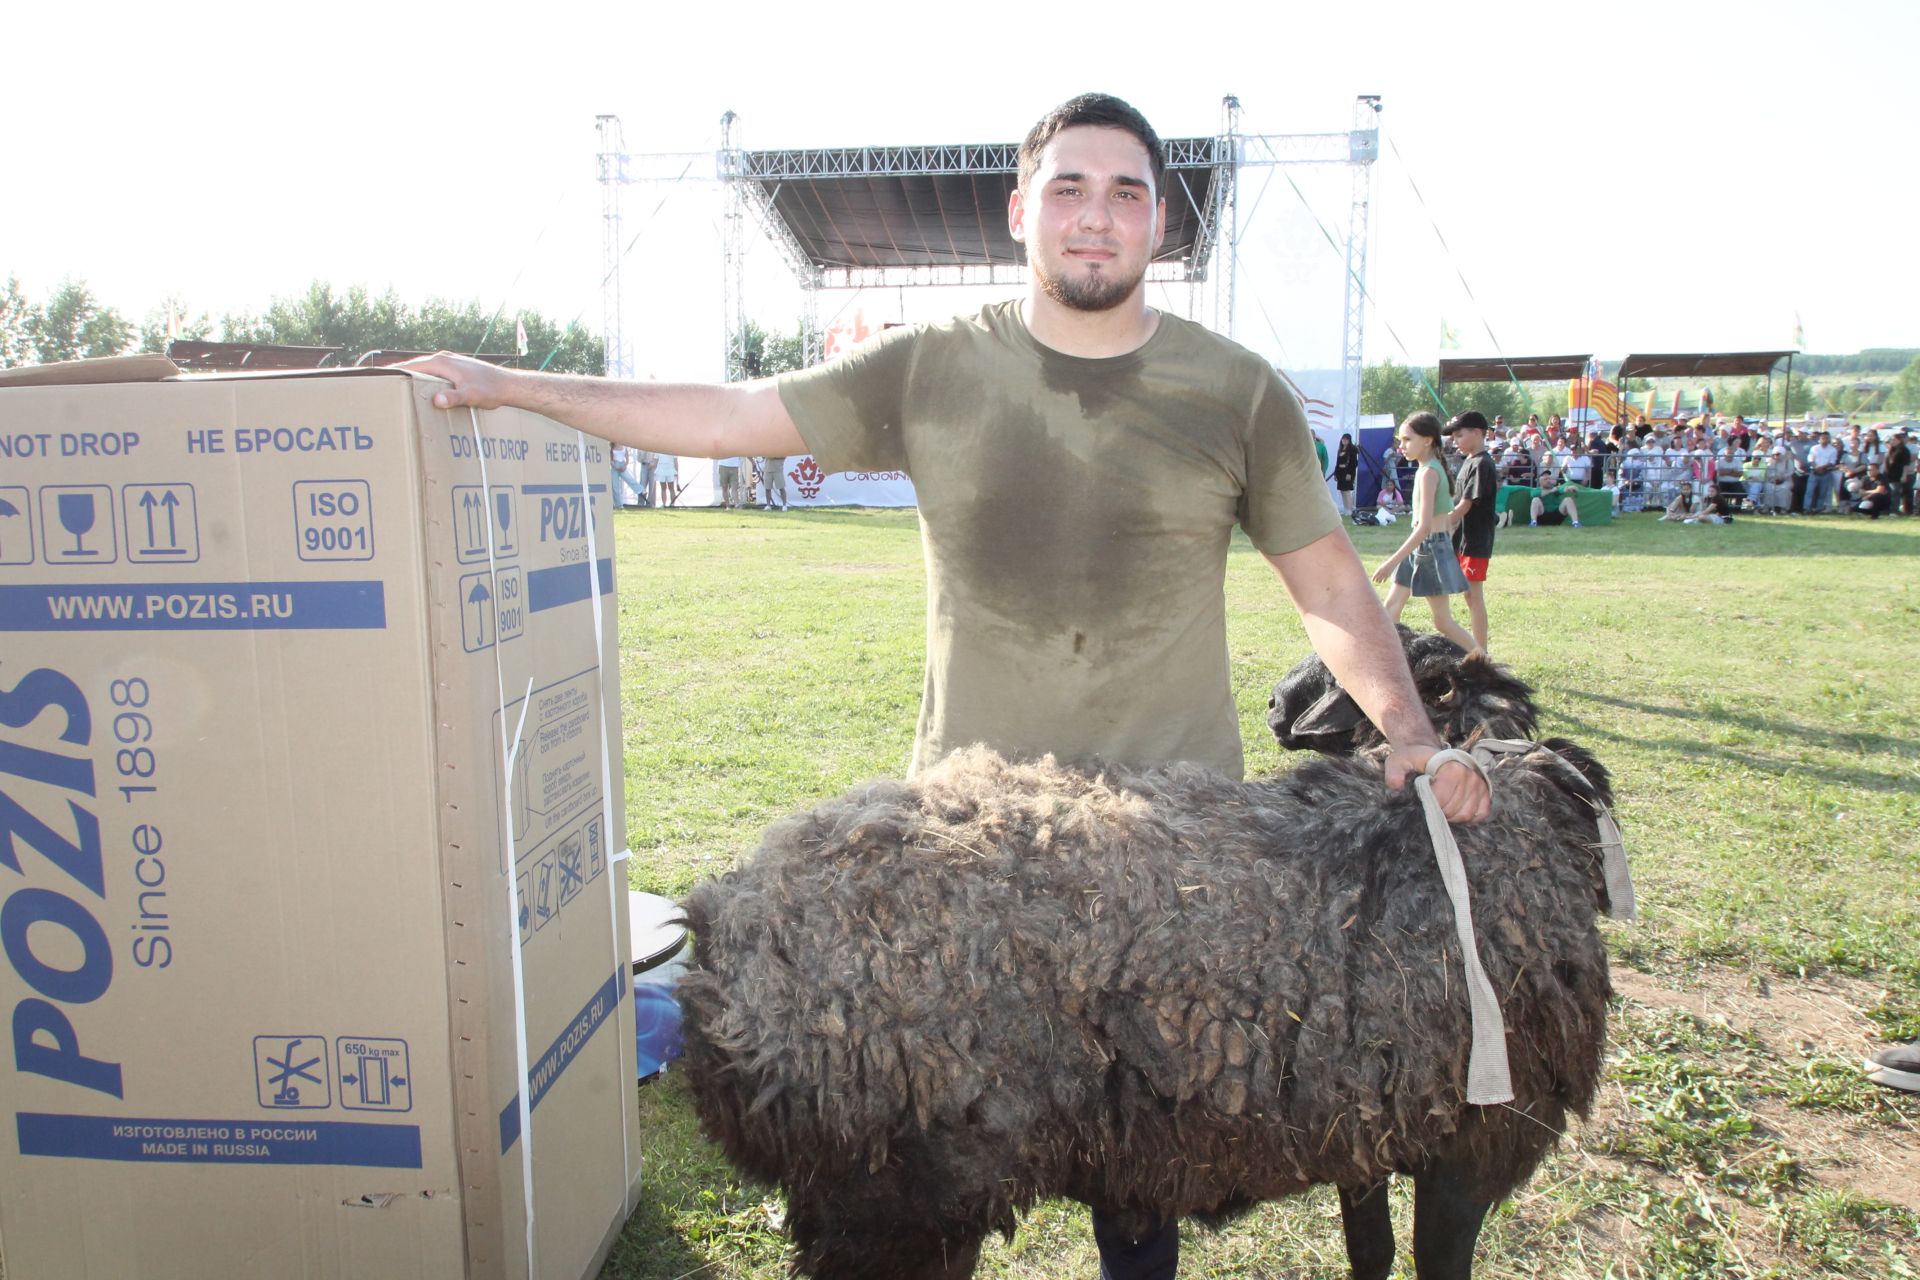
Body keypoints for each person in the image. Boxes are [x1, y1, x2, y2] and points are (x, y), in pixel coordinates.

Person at [402, 92, 1487, 1280]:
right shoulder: (930, 366)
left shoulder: (1235, 389)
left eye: (1126, 192)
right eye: (1069, 188)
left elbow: (1328, 579)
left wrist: (1408, 730)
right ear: (1022, 212)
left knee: (1147, 1170)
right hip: (966, 872)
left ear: (1157, 223)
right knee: (936, 1170)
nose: (1095, 216)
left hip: (1173, 862)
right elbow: (728, 414)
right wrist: (519, 384)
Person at [1372, 412, 1476, 654]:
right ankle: (1393, 663)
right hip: (1425, 547)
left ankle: (1485, 663)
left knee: (1443, 622)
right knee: (1390, 611)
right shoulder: (1427, 469)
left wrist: (1390, 562)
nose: (1402, 446)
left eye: (1408, 439)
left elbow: (1424, 527)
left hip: (1430, 549)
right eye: (1400, 440)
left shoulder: (1429, 472)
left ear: (1428, 440)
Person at [1443, 411, 1497, 657]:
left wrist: (1441, 523)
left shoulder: (1482, 463)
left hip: (1475, 539)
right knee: (1469, 594)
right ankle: (1476, 649)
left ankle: (1481, 653)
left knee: (1474, 596)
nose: (1455, 441)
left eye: (1459, 435)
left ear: (1477, 432)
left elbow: (1466, 504)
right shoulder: (1470, 461)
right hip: (1463, 538)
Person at [1332, 432, 1359, 516]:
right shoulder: (1340, 449)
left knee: (1347, 491)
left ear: (1349, 440)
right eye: (1343, 439)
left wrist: (1350, 473)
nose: (1344, 440)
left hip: (1348, 472)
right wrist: (1335, 473)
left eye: (1346, 439)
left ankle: (1350, 509)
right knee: (1342, 491)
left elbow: (1354, 463)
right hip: (1340, 472)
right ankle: (1346, 509)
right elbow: (1337, 463)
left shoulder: (1352, 449)